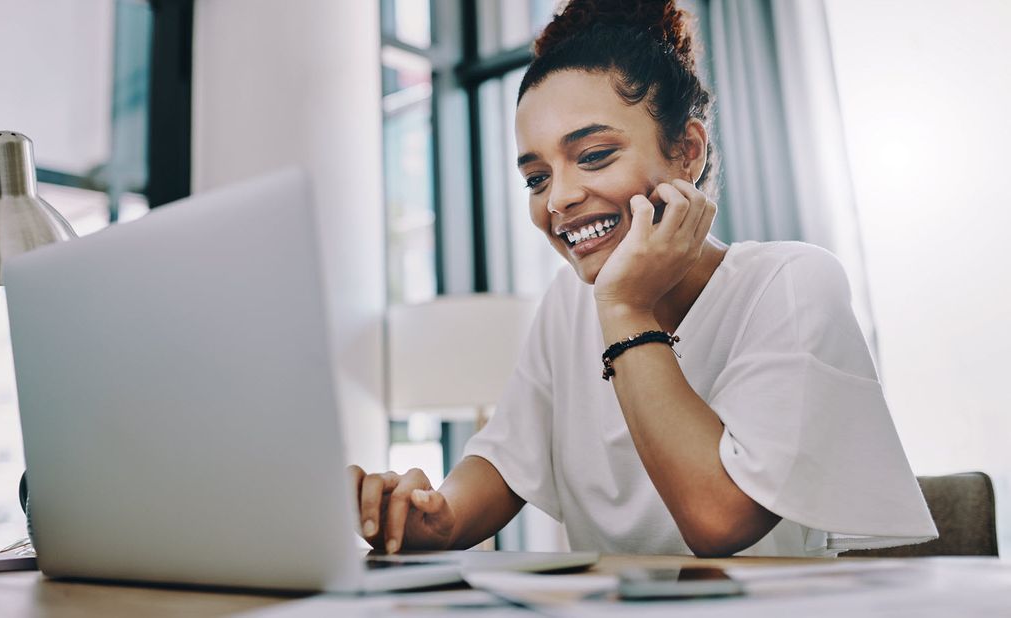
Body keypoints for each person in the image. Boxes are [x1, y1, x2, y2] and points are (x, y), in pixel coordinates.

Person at [349, 0, 937, 557]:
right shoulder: (567, 304)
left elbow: (720, 517)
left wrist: (627, 309)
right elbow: (505, 459)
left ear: (687, 151)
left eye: (595, 155)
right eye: (535, 178)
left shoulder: (790, 282)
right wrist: (437, 517)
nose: (559, 198)